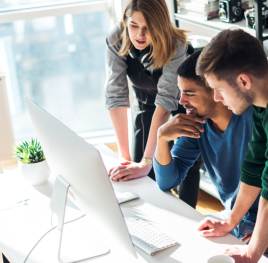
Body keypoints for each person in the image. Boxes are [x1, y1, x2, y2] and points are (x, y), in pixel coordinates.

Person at [105, 0, 201, 208]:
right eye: (134, 26)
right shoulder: (116, 39)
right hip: (145, 105)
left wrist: (146, 163)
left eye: (148, 28)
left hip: (180, 108)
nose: (139, 35)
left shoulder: (177, 45)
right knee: (140, 173)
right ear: (125, 22)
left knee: (183, 166)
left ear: (161, 25)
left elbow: (166, 104)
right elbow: (116, 95)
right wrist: (125, 158)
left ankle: (186, 217)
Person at [153, 50, 259, 240]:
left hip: (258, 224)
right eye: (181, 92)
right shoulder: (197, 124)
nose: (181, 101)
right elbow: (167, 181)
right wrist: (161, 138)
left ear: (215, 90)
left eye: (189, 93)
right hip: (232, 218)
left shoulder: (253, 119)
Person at [196, 28, 268, 262]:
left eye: (218, 90)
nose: (216, 98)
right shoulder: (260, 101)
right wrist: (230, 221)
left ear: (243, 81)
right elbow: (256, 164)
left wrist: (252, 252)